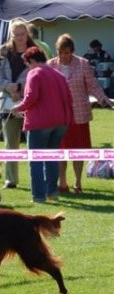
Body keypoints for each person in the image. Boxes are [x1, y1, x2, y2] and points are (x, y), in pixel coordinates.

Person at [48, 33, 113, 193]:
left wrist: (105, 99)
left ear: (72, 51)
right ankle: (62, 182)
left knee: (78, 150)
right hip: (59, 116)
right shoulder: (50, 65)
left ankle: (77, 182)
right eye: (61, 52)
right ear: (57, 51)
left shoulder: (83, 64)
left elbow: (92, 86)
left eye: (67, 52)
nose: (64, 56)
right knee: (60, 151)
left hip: (79, 115)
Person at [11, 46, 73, 203]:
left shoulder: (34, 73)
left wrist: (17, 107)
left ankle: (38, 196)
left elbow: (31, 97)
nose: (27, 67)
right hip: (61, 122)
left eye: (27, 64)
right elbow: (68, 98)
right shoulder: (59, 75)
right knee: (52, 158)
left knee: (36, 160)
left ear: (31, 61)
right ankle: (52, 192)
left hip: (39, 123)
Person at [0, 19, 35, 188]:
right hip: (7, 102)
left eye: (22, 34)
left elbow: (40, 73)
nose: (19, 37)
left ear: (27, 34)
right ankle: (11, 179)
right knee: (10, 143)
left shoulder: (35, 51)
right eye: (15, 34)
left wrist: (21, 88)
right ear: (11, 35)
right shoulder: (2, 51)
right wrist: (8, 87)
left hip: (31, 102)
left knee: (34, 143)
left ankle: (36, 180)